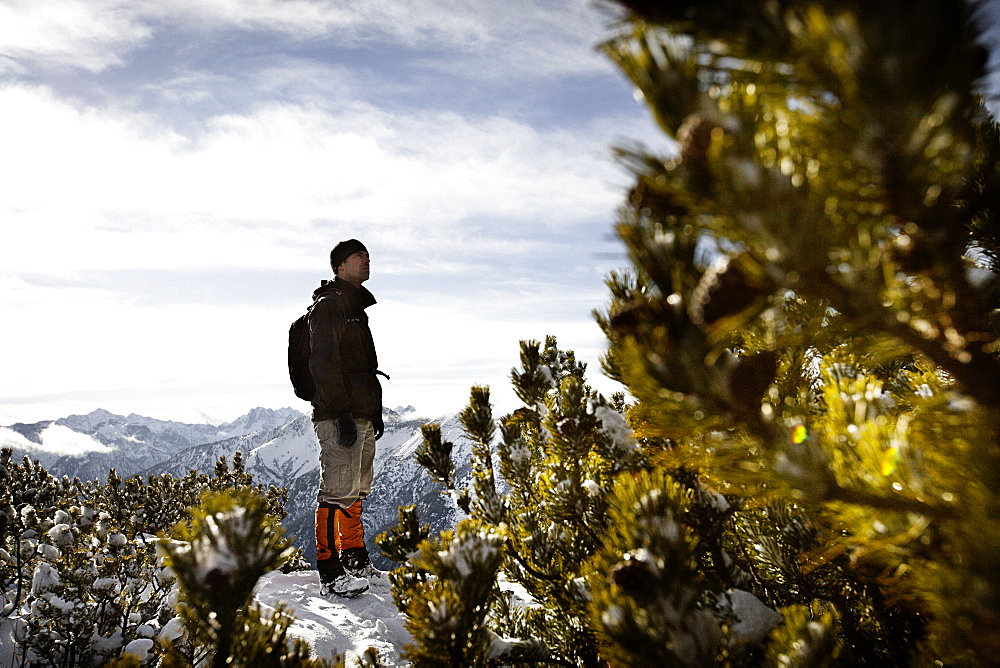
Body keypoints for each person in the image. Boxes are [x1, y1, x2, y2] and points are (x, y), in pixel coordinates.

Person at [308, 238, 388, 598]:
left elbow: (362, 369)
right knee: (336, 491)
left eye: (368, 255)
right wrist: (339, 413)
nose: (366, 260)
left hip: (361, 414)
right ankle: (329, 571)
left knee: (356, 489)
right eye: (359, 256)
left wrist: (373, 412)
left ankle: (354, 558)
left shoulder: (355, 309)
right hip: (340, 414)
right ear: (339, 267)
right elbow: (323, 364)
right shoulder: (329, 306)